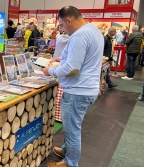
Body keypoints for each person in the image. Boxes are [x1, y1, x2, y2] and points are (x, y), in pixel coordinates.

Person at [41, 6, 104, 167]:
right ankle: (67, 150)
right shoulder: (93, 30)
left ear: (69, 20)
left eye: (62, 25)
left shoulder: (79, 35)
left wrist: (50, 71)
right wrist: (63, 57)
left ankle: (70, 162)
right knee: (73, 125)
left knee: (71, 129)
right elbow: (83, 58)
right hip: (86, 89)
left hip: (77, 91)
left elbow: (72, 69)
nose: (62, 29)